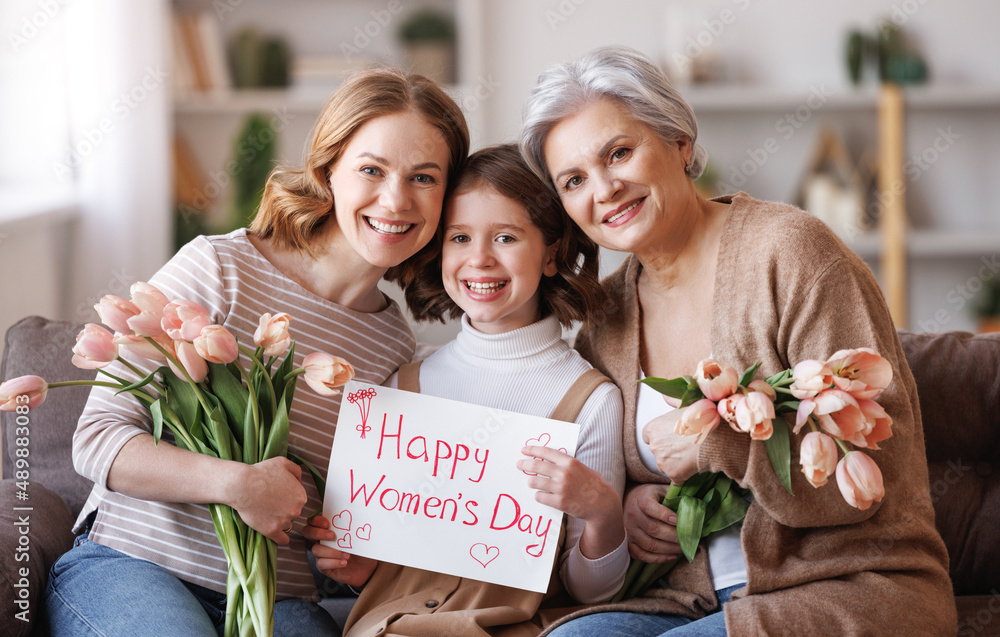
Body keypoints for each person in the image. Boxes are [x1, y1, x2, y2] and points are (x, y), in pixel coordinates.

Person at [519, 46, 957, 635]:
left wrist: (715, 446)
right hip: (685, 601)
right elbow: (625, 479)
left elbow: (870, 457)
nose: (605, 189)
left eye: (619, 153)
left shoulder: (792, 251)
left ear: (678, 141)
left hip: (841, 585)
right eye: (574, 180)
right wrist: (631, 508)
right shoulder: (607, 315)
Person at [44, 67, 469, 636]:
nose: (396, 198)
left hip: (276, 599)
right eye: (371, 169)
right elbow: (96, 440)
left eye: (424, 177)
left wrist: (356, 563)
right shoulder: (221, 267)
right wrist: (237, 484)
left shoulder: (395, 346)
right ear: (329, 170)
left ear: (447, 197)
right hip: (133, 565)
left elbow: (338, 519)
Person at [304, 144, 630, 636]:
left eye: (505, 237)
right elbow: (394, 563)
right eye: (459, 237)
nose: (479, 259)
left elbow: (591, 594)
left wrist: (603, 513)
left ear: (551, 254)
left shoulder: (590, 400)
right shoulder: (406, 384)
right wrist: (357, 570)